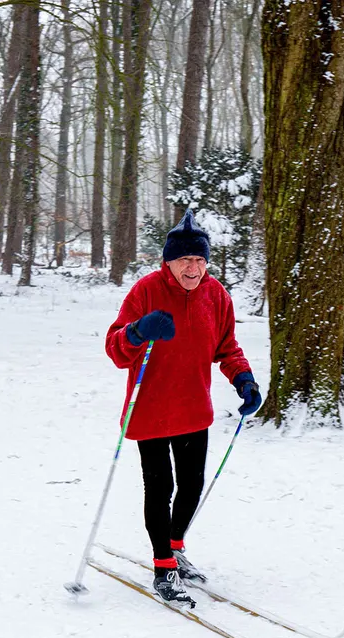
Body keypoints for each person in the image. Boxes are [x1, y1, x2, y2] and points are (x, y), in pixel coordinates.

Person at [105, 211, 262, 606]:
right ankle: (163, 568)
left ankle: (175, 549)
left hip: (194, 407)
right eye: (184, 261)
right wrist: (138, 332)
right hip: (151, 408)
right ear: (168, 262)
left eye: (199, 260)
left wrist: (244, 379)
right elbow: (115, 349)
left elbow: (227, 348)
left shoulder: (217, 296)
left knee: (191, 485)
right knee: (161, 488)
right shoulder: (145, 292)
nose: (192, 268)